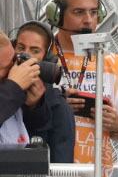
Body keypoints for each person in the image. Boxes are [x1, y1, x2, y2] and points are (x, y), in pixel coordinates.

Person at [50, 0, 118, 172]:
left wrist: (116, 124)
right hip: (48, 170)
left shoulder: (110, 62)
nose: (88, 20)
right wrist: (55, 105)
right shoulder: (41, 53)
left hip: (96, 176)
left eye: (94, 12)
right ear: (58, 15)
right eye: (79, 12)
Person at [12, 21, 77, 161]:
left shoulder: (58, 106)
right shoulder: (5, 90)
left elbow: (61, 168)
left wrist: (36, 108)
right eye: (21, 47)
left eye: (35, 51)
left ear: (47, 58)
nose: (25, 56)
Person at [0, 32, 49, 147]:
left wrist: (33, 107)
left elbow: (39, 135)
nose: (11, 70)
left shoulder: (10, 92)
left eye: (13, 61)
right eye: (3, 67)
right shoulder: (10, 90)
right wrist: (14, 86)